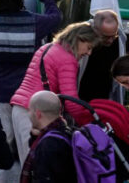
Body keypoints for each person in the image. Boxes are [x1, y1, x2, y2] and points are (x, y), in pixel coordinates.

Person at [0, 0, 62, 181]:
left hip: (1, 94)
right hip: (28, 97)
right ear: (21, 0)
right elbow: (56, 17)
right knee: (27, 148)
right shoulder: (34, 22)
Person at [9, 22, 100, 164]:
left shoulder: (48, 47)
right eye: (89, 47)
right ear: (79, 39)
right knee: (37, 166)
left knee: (26, 163)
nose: (89, 53)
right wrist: (88, 123)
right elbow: (71, 101)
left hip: (20, 108)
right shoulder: (67, 59)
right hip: (37, 112)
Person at [20, 90, 76, 183]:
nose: (28, 114)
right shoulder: (64, 132)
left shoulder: (48, 145)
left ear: (38, 114)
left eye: (29, 110)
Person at [78, 9, 125, 103]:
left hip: (105, 97)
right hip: (81, 96)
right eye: (105, 37)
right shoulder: (81, 37)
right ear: (95, 30)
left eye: (113, 36)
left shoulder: (120, 39)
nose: (110, 41)